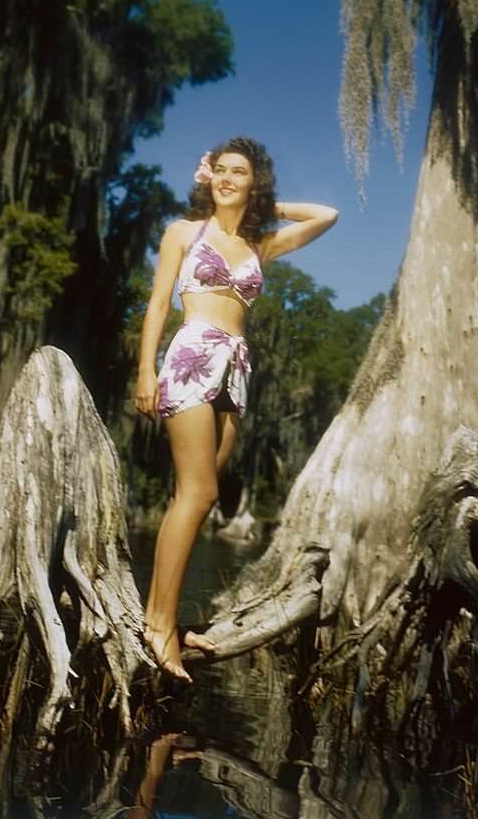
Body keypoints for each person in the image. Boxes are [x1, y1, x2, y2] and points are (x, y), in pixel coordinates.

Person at [135, 136, 338, 681]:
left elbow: (327, 215)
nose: (226, 178)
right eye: (220, 170)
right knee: (199, 492)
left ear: (254, 182)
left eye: (239, 172)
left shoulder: (261, 244)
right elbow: (158, 302)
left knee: (195, 497)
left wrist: (265, 207)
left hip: (236, 367)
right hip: (192, 355)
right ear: (208, 178)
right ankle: (159, 628)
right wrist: (145, 370)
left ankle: (160, 618)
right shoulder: (183, 232)